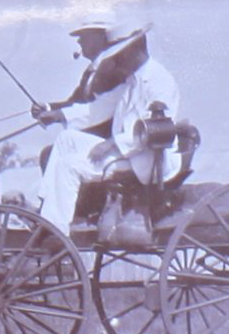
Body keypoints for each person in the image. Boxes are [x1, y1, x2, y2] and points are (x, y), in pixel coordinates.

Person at [36, 20, 181, 236]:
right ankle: (48, 210)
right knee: (67, 138)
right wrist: (59, 114)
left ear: (134, 51)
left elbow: (156, 130)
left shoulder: (159, 82)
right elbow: (99, 108)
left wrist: (111, 144)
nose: (115, 62)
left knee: (68, 165)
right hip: (127, 153)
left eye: (118, 56)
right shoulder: (131, 82)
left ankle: (56, 231)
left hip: (147, 160)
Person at [33, 14, 129, 172]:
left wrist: (59, 115)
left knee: (50, 154)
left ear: (100, 36)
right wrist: (48, 108)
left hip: (106, 142)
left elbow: (101, 108)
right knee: (48, 154)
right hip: (88, 136)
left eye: (84, 36)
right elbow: (76, 102)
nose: (79, 42)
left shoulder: (113, 69)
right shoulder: (91, 71)